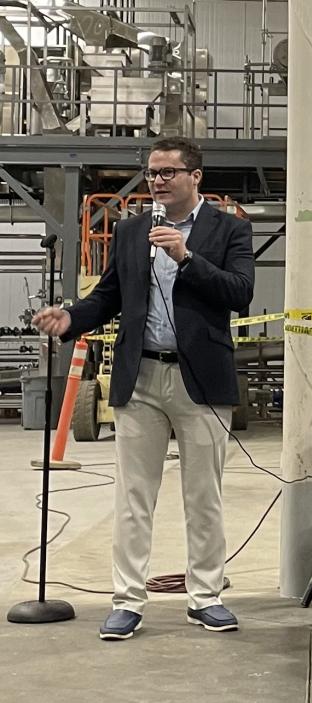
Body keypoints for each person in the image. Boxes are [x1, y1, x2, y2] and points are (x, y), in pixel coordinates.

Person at [32, 136, 255, 640]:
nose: (157, 180)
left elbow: (240, 293)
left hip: (201, 379)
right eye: (152, 172)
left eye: (168, 172)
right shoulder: (132, 230)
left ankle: (206, 597)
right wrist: (70, 317)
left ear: (195, 176)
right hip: (142, 377)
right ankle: (127, 601)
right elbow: (110, 295)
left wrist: (186, 257)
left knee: (204, 496)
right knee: (135, 496)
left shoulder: (230, 230)